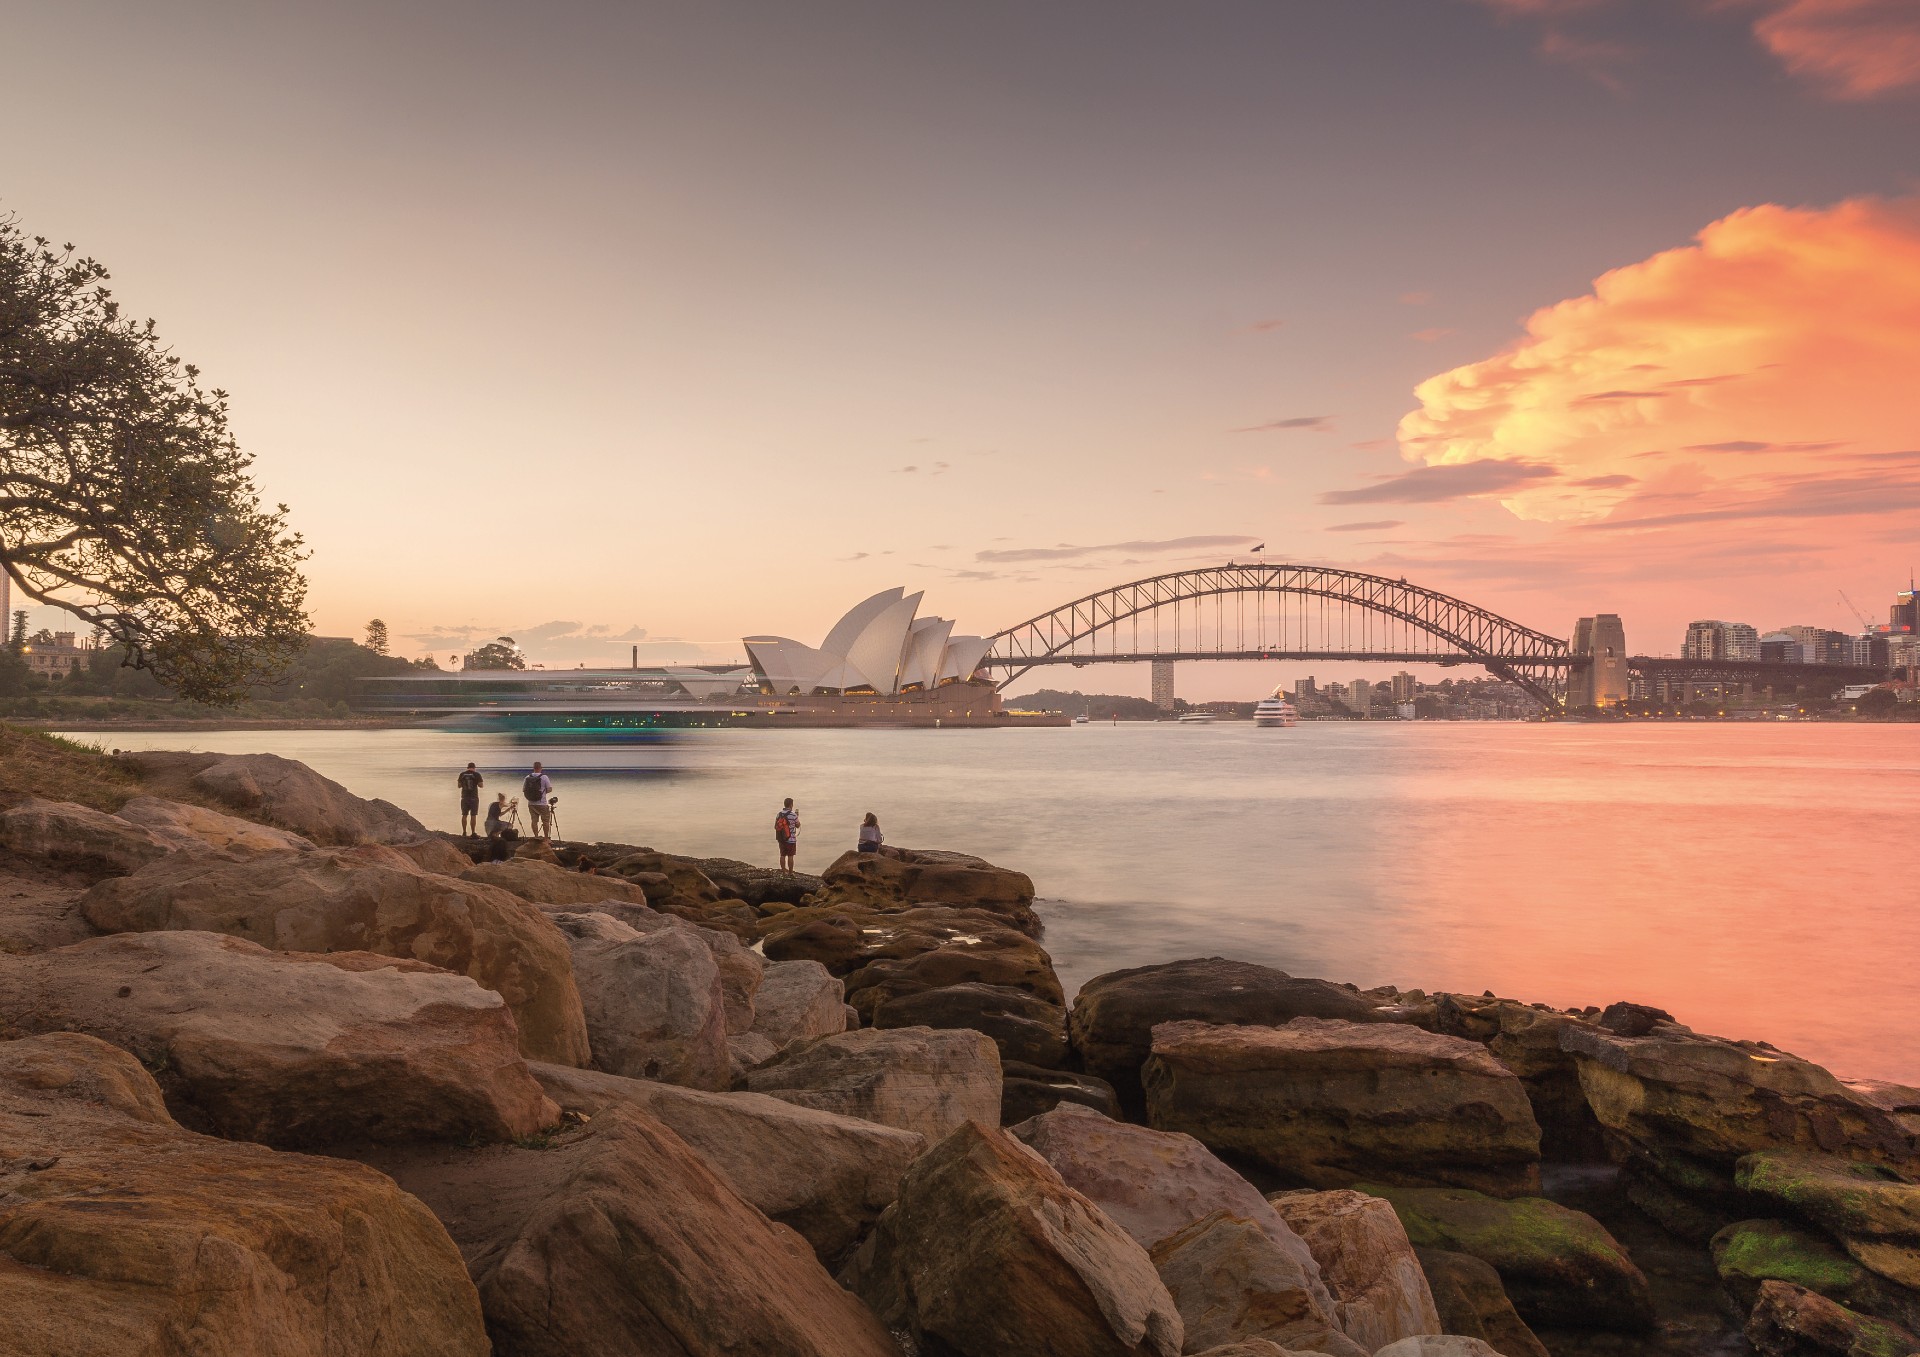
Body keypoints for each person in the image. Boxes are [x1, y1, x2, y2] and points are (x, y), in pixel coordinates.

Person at [523, 762, 554, 840]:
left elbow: (524, 790)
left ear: (533, 768)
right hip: (542, 803)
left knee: (534, 821)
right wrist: (543, 793)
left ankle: (536, 836)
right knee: (546, 821)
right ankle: (546, 838)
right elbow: (549, 789)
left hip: (531, 803)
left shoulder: (527, 777)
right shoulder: (544, 777)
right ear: (541, 768)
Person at [483, 793, 518, 862]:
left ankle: (495, 835)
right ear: (503, 799)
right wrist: (512, 804)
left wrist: (509, 809)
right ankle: (497, 836)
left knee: (500, 826)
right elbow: (506, 804)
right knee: (510, 825)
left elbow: (500, 814)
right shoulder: (500, 803)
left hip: (488, 823)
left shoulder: (493, 804)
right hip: (494, 823)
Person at [457, 762, 484, 836]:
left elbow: (459, 786)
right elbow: (481, 785)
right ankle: (473, 832)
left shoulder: (462, 774)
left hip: (464, 797)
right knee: (473, 815)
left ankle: (464, 832)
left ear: (467, 767)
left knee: (464, 815)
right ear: (474, 768)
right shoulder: (477, 774)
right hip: (474, 798)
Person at [774, 797, 799, 875]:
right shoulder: (793, 815)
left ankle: (784, 872)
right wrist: (797, 816)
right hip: (791, 839)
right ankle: (791, 873)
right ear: (791, 805)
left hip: (781, 838)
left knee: (782, 855)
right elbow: (798, 825)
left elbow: (775, 826)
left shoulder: (779, 814)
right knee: (790, 856)